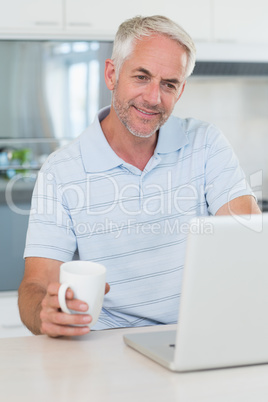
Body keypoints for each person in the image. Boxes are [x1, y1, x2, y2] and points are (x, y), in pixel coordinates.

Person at [18, 15, 261, 338]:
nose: (152, 98)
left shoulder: (206, 143)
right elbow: (35, 285)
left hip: (197, 334)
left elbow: (250, 244)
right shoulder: (61, 171)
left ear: (181, 90)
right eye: (142, 77)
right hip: (105, 341)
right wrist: (43, 313)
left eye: (168, 84)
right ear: (111, 74)